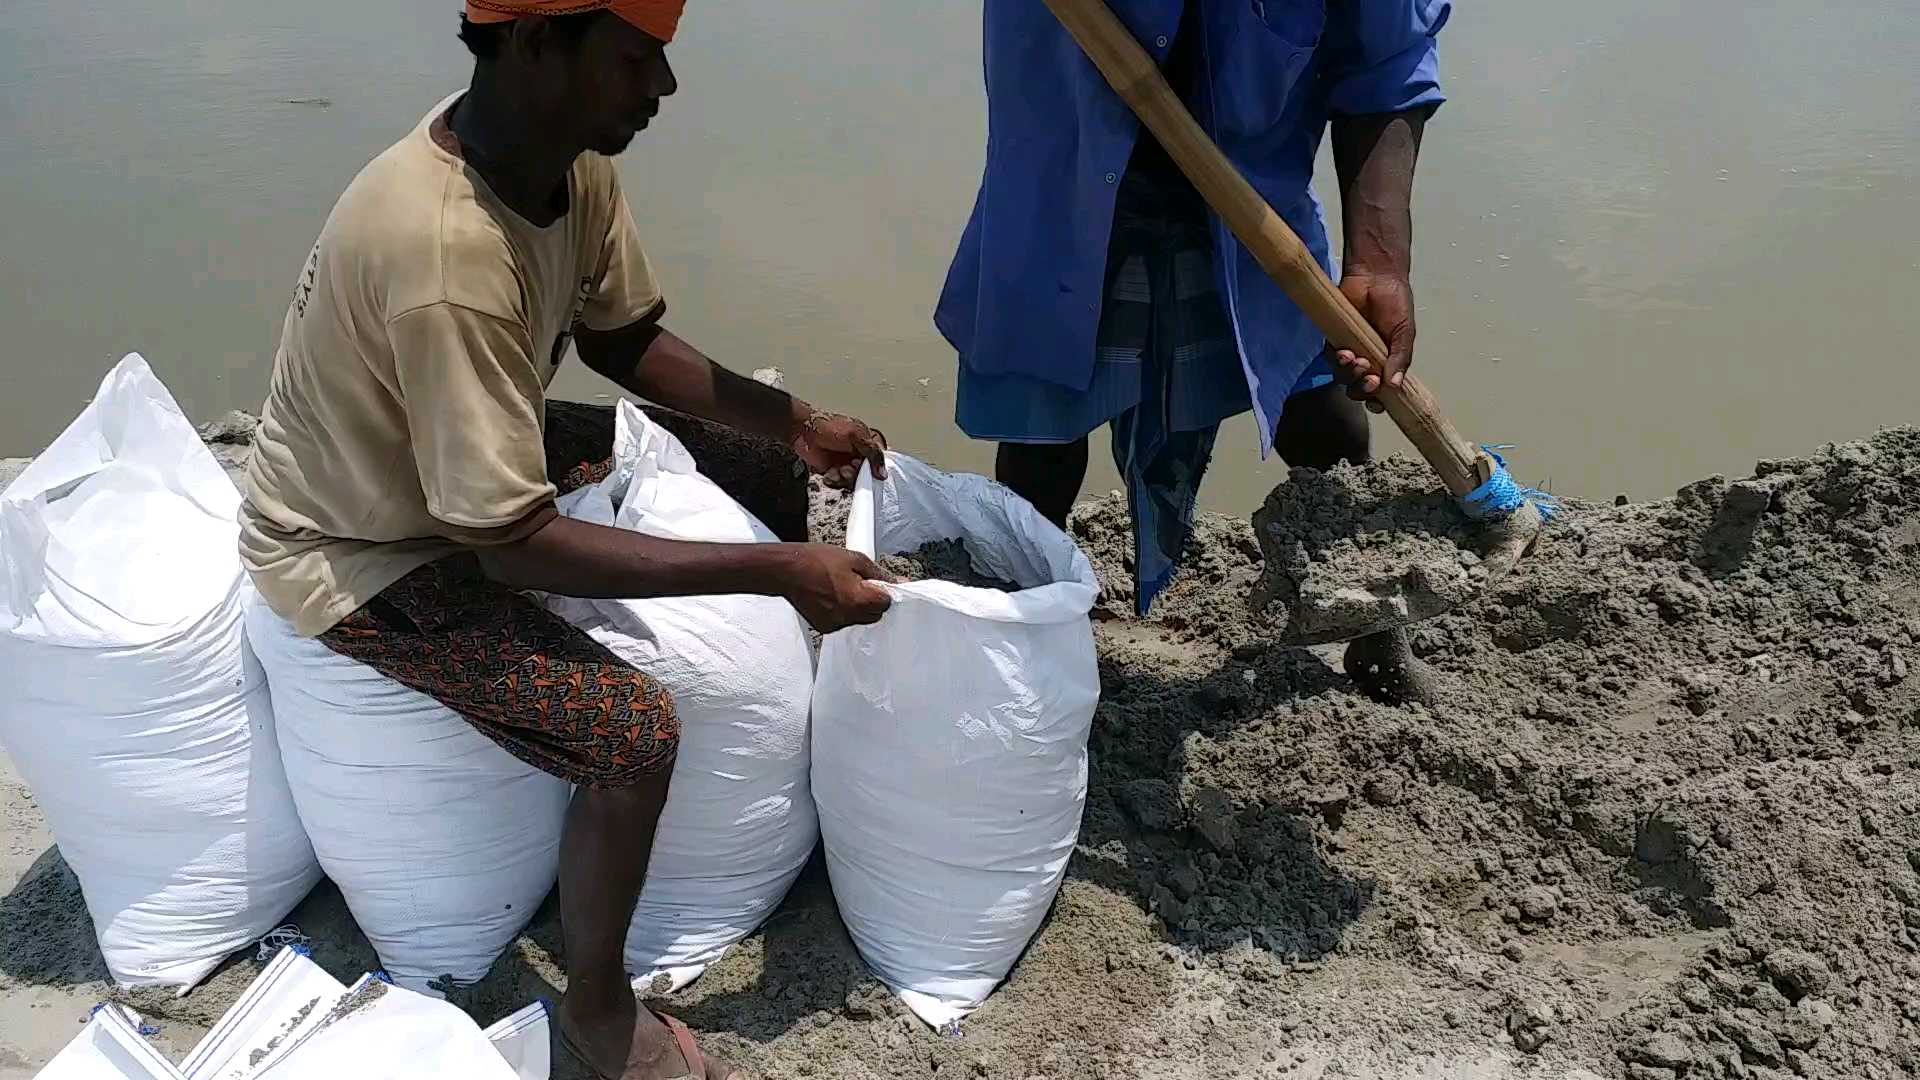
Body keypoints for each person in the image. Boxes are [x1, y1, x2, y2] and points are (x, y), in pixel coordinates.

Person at [239, 3, 892, 1077]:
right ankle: (595, 1008)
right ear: (538, 45)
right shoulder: (444, 257)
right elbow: (512, 546)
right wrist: (776, 573)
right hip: (364, 545)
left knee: (762, 459)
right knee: (631, 735)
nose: (661, 92)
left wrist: (796, 422)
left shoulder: (561, 162)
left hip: (456, 448)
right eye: (637, 61)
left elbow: (621, 337)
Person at [937, 0, 1450, 701]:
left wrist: (1380, 260)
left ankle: (1372, 636)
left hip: (1251, 200)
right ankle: (1020, 628)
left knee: (1322, 416)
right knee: (1040, 434)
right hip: (1064, 178)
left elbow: (1388, 62)